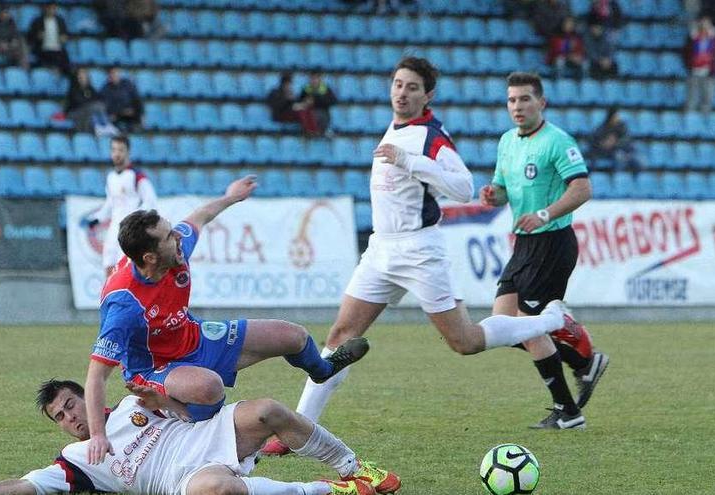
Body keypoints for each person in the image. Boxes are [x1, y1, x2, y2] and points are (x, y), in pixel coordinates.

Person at [261, 57, 575, 456]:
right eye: (397, 84)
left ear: (428, 95)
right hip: (381, 249)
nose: (402, 92)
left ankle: (549, 318)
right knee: (341, 336)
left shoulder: (431, 137)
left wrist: (412, 162)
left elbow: (463, 188)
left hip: (419, 250)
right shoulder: (396, 126)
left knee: (465, 341)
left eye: (411, 87)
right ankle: (300, 432)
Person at [85, 175, 370, 465]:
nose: (178, 236)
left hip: (194, 336)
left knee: (294, 337)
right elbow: (97, 375)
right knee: (209, 389)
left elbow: (200, 216)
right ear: (150, 257)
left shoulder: (176, 252)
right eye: (169, 236)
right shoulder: (124, 303)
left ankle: (322, 370)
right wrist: (98, 435)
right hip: (155, 367)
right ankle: (173, 412)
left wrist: (231, 196)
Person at [0, 379, 400, 495]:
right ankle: (330, 491)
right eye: (60, 417)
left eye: (71, 404)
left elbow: (198, 406)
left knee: (271, 409)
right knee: (216, 489)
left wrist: (163, 398)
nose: (69, 417)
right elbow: (25, 486)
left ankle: (356, 470)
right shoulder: (75, 459)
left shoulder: (133, 401)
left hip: (215, 434)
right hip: (188, 477)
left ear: (87, 396)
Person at [478, 71, 609, 430]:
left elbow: (582, 188)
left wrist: (545, 213)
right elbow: (502, 189)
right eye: (511, 100)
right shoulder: (507, 141)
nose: (517, 106)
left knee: (527, 328)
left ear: (541, 102)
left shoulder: (557, 141)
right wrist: (494, 196)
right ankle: (583, 362)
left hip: (553, 243)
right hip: (524, 245)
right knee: (503, 324)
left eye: (524, 99)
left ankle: (568, 412)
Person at [87, 135, 158, 278]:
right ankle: (111, 298)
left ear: (128, 152)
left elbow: (150, 201)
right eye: (114, 150)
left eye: (121, 150)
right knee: (108, 264)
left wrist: (136, 220)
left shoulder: (137, 176)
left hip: (130, 231)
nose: (117, 154)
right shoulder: (111, 177)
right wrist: (97, 218)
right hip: (114, 227)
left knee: (126, 266)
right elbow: (110, 204)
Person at [683, 16, 715, 113]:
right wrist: (689, 65)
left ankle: (705, 117)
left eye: (706, 23)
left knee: (708, 96)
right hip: (694, 71)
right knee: (692, 95)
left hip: (709, 72)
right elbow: (685, 53)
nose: (704, 26)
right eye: (702, 23)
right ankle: (690, 116)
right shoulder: (692, 39)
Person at [267, 72, 320, 137]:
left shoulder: (290, 93)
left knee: (306, 110)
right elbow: (277, 106)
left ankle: (314, 130)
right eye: (287, 84)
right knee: (301, 112)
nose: (289, 86)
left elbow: (294, 104)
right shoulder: (275, 92)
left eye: (290, 84)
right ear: (283, 84)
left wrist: (301, 103)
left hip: (290, 113)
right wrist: (287, 100)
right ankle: (309, 131)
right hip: (279, 115)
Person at [27, 3, 71, 75]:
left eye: (54, 9)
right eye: (50, 9)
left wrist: (64, 38)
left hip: (58, 49)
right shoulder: (37, 21)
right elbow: (30, 37)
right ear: (46, 9)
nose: (52, 11)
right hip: (42, 49)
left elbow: (66, 35)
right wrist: (37, 37)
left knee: (66, 65)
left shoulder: (60, 21)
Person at [99, 67, 144, 132]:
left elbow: (137, 100)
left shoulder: (128, 84)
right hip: (117, 118)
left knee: (137, 127)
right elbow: (108, 107)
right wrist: (122, 112)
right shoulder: (105, 90)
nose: (115, 75)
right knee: (121, 128)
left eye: (116, 73)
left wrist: (141, 113)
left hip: (132, 116)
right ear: (108, 76)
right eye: (112, 74)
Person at [300, 71, 337, 136]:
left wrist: (316, 100)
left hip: (323, 114)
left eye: (315, 78)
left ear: (319, 79)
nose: (314, 81)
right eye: (312, 78)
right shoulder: (305, 90)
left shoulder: (326, 89)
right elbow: (300, 101)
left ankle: (319, 131)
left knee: (317, 114)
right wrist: (305, 102)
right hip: (309, 113)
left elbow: (333, 101)